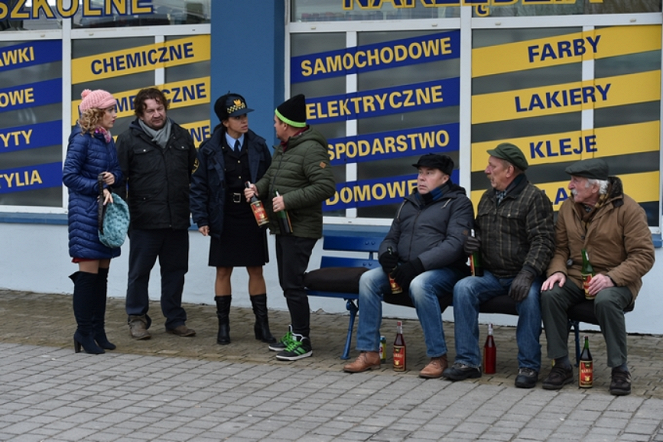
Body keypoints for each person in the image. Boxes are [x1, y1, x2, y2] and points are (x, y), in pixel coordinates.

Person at [343, 154, 473, 378]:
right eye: (420, 173)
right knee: (368, 280)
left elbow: (454, 245)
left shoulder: (459, 203)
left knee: (420, 285)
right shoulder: (408, 203)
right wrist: (387, 254)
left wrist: (417, 265)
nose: (421, 178)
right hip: (405, 267)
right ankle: (369, 351)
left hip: (444, 271)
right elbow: (391, 237)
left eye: (429, 173)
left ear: (444, 178)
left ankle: (437, 356)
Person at [442, 142, 555, 388]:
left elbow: (543, 241)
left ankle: (529, 366)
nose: (486, 170)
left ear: (509, 170)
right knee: (463, 288)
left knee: (530, 297)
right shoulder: (487, 197)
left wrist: (527, 274)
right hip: (492, 276)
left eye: (492, 166)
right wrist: (473, 244)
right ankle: (468, 362)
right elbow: (481, 233)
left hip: (524, 274)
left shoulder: (534, 198)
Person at [540, 158, 654, 396]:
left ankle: (620, 369)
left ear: (595, 187)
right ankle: (561, 364)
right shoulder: (567, 207)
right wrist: (558, 271)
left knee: (606, 299)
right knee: (551, 294)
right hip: (577, 276)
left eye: (576, 181)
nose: (570, 185)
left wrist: (611, 278)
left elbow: (643, 255)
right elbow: (559, 249)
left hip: (619, 279)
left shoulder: (629, 209)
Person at [244, 93, 335, 361]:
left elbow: (325, 186)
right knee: (287, 283)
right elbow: (272, 176)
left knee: (293, 284)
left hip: (301, 229)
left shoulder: (310, 149)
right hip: (284, 226)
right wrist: (257, 189)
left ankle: (303, 341)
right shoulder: (286, 148)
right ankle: (296, 333)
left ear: (287, 124)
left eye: (276, 122)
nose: (273, 126)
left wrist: (288, 200)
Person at [190, 93, 275, 345]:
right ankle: (223, 326)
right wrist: (202, 218)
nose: (244, 121)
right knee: (223, 269)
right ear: (225, 121)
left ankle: (262, 325)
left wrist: (261, 193)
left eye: (245, 116)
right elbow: (198, 186)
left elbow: (270, 179)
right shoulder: (207, 149)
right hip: (223, 215)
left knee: (256, 269)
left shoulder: (258, 145)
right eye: (237, 117)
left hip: (251, 215)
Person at [115, 87, 198, 340]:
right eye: (150, 110)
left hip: (176, 219)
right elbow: (120, 182)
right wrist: (123, 218)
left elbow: (192, 176)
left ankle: (175, 320)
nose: (156, 114)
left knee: (175, 272)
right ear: (140, 113)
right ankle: (137, 319)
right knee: (139, 273)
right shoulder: (128, 140)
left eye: (160, 108)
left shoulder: (183, 137)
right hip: (143, 221)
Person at [62, 89, 123, 354]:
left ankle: (98, 331)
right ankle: (83, 331)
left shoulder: (108, 139)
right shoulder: (81, 138)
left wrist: (113, 178)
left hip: (103, 217)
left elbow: (117, 171)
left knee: (101, 278)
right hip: (86, 217)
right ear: (96, 113)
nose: (114, 114)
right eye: (110, 110)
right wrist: (98, 185)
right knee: (88, 279)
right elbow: (69, 176)